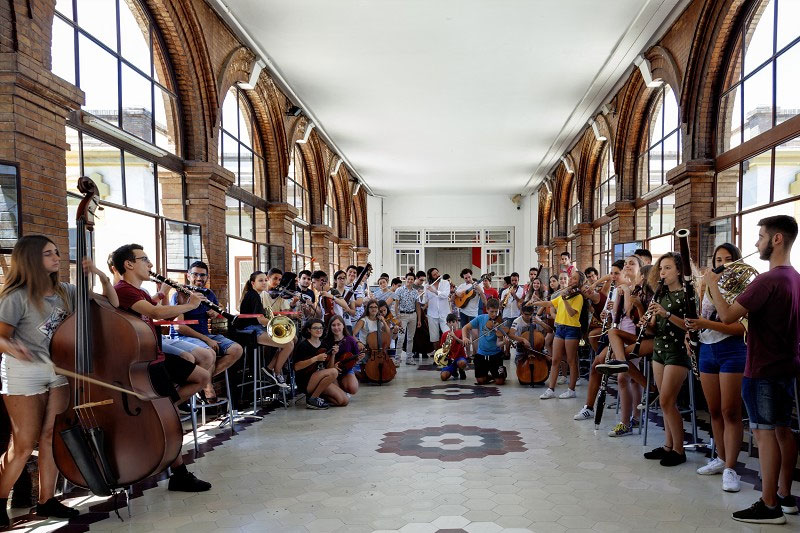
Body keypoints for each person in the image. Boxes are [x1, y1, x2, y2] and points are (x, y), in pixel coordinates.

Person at [0, 236, 118, 525]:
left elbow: (111, 304)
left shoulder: (66, 290)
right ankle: (0, 499)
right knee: (24, 443)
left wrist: (101, 275)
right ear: (30, 259)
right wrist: (14, 347)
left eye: (57, 253)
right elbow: (1, 336)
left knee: (51, 437)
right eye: (48, 254)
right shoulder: (16, 296)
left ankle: (47, 501)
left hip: (60, 370)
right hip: (23, 372)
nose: (56, 258)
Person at [707, 215, 800, 524]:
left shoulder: (768, 279)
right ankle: (785, 496)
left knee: (765, 434)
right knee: (782, 431)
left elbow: (727, 315)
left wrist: (711, 284)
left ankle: (769, 503)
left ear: (776, 240)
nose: (756, 243)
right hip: (785, 365)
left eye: (760, 236)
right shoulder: (794, 277)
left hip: (762, 366)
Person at [110, 243, 211, 492]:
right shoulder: (123, 290)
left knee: (201, 376)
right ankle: (179, 473)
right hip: (143, 363)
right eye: (145, 260)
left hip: (155, 355)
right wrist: (189, 305)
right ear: (129, 264)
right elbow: (155, 312)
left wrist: (163, 293)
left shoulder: (140, 291)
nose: (151, 265)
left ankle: (162, 408)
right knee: (171, 419)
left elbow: (153, 309)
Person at [685, 243, 747, 493]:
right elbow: (701, 318)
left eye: (728, 259)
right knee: (714, 410)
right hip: (708, 350)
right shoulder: (707, 287)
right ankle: (721, 458)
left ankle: (732, 467)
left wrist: (703, 324)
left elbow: (740, 328)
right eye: (718, 259)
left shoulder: (743, 288)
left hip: (733, 350)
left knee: (730, 411)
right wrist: (690, 333)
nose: (721, 264)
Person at [642, 252, 691, 467]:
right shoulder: (659, 294)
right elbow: (654, 327)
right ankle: (668, 446)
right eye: (661, 269)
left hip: (678, 350)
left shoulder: (687, 294)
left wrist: (666, 314)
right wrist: (646, 322)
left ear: (679, 270)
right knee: (665, 401)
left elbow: (691, 325)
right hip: (660, 348)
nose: (662, 272)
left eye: (668, 268)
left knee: (666, 401)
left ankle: (679, 450)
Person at [169, 261, 243, 403]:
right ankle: (207, 387)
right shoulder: (178, 294)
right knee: (210, 352)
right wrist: (207, 339)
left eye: (203, 275)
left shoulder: (208, 293)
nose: (199, 278)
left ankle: (202, 380)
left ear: (207, 277)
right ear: (188, 276)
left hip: (205, 335)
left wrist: (215, 311)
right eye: (195, 274)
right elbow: (179, 327)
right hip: (184, 337)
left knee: (236, 349)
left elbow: (218, 306)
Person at [237, 270, 292, 388]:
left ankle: (269, 369)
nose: (264, 283)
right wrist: (278, 325)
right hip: (250, 331)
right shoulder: (254, 295)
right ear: (253, 283)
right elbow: (260, 320)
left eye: (265, 280)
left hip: (253, 329)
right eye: (260, 280)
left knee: (287, 343)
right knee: (288, 344)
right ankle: (276, 373)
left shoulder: (254, 295)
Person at [536, 269, 586, 399]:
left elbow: (572, 313)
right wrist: (535, 302)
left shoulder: (578, 296)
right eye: (571, 277)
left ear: (579, 282)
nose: (571, 280)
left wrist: (564, 299)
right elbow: (550, 303)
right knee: (556, 359)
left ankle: (571, 389)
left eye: (574, 278)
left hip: (572, 329)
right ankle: (551, 389)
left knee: (571, 360)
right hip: (560, 328)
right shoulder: (565, 294)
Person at [292, 319, 348, 409]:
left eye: (321, 328)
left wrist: (333, 355)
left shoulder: (324, 345)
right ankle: (313, 399)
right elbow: (296, 367)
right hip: (306, 381)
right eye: (315, 328)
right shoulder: (303, 345)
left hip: (321, 379)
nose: (319, 330)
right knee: (334, 371)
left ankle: (318, 396)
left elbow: (329, 368)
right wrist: (315, 359)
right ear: (309, 330)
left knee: (343, 401)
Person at [462, 298, 509, 385]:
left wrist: (504, 343)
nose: (494, 314)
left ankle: (501, 373)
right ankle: (492, 375)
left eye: (496, 311)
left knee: (500, 382)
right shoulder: (481, 318)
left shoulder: (499, 323)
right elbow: (465, 327)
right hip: (481, 354)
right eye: (492, 311)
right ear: (487, 309)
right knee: (480, 381)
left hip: (495, 354)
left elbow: (498, 343)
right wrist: (465, 337)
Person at [324, 315, 362, 396]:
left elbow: (354, 358)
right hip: (331, 370)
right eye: (333, 325)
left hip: (347, 369)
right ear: (330, 327)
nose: (336, 327)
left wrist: (358, 359)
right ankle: (338, 387)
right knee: (337, 394)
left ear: (343, 326)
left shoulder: (350, 340)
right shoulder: (326, 342)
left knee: (353, 388)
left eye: (339, 324)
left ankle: (344, 384)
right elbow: (326, 365)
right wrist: (333, 358)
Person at [394, 272, 422, 365]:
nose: (410, 281)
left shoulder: (415, 292)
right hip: (403, 316)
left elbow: (417, 306)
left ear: (414, 281)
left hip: (413, 316)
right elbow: (396, 304)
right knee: (401, 337)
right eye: (408, 279)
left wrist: (419, 319)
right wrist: (397, 317)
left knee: (410, 338)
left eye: (412, 279)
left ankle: (409, 358)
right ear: (405, 279)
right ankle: (397, 359)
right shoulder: (399, 290)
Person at [422, 268, 450, 352]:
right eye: (434, 275)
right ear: (430, 276)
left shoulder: (445, 283)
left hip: (445, 313)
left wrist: (435, 291)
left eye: (437, 273)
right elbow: (424, 300)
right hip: (432, 314)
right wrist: (420, 296)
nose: (437, 275)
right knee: (434, 337)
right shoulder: (427, 286)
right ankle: (437, 356)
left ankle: (447, 354)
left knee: (447, 334)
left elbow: (445, 295)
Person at [499, 273, 524, 358]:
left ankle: (519, 351)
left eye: (515, 280)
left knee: (517, 334)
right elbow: (501, 305)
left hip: (517, 314)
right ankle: (507, 352)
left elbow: (521, 302)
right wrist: (504, 299)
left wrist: (514, 295)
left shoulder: (521, 290)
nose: (514, 282)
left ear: (518, 280)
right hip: (507, 315)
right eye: (512, 280)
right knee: (506, 334)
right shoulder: (505, 291)